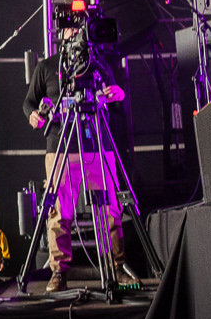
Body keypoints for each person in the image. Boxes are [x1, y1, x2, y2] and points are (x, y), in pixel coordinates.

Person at [25, 17, 137, 290]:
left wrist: (119, 95)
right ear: (61, 33)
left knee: (111, 209)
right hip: (60, 148)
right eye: (72, 28)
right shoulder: (47, 67)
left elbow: (119, 106)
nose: (76, 33)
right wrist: (33, 115)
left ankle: (116, 266)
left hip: (98, 146)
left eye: (81, 28)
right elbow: (28, 103)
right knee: (58, 212)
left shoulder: (98, 64)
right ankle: (58, 271)